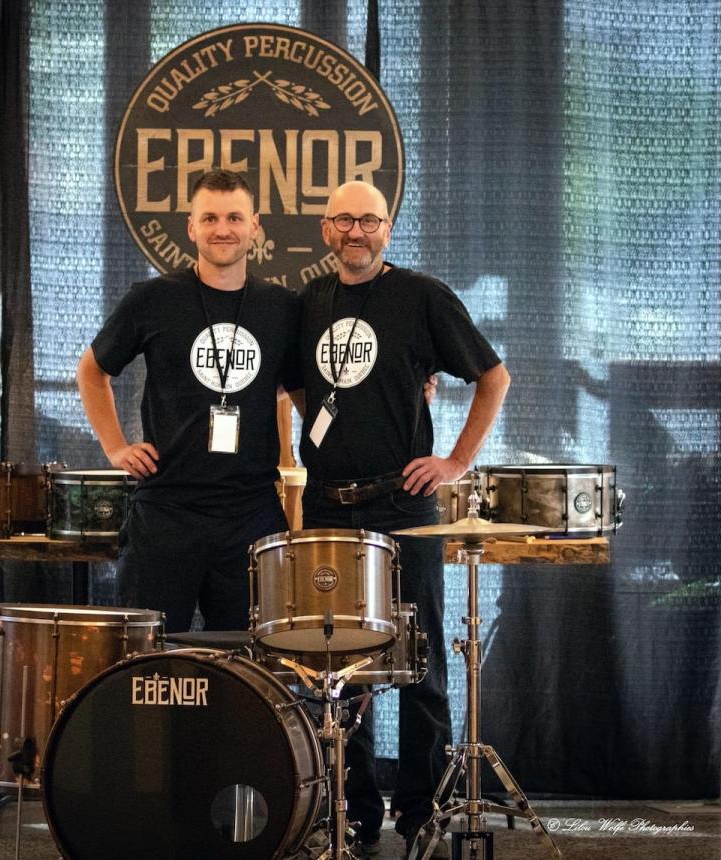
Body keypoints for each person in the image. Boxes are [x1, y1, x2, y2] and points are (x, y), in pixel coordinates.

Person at [297, 181, 511, 858]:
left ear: (387, 227)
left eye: (368, 219)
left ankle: (421, 810)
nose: (355, 231)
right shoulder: (308, 303)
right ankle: (356, 812)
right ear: (325, 230)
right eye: (343, 220)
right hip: (328, 502)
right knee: (338, 665)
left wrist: (455, 461)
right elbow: (297, 386)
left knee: (419, 663)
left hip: (405, 505)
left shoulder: (421, 296)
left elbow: (493, 377)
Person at [76, 168, 300, 634]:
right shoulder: (153, 300)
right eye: (211, 218)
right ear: (191, 227)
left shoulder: (281, 307)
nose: (223, 229)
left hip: (251, 512)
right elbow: (92, 370)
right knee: (144, 662)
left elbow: (303, 382)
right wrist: (116, 448)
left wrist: (418, 384)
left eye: (235, 217)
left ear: (255, 225)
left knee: (255, 668)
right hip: (166, 510)